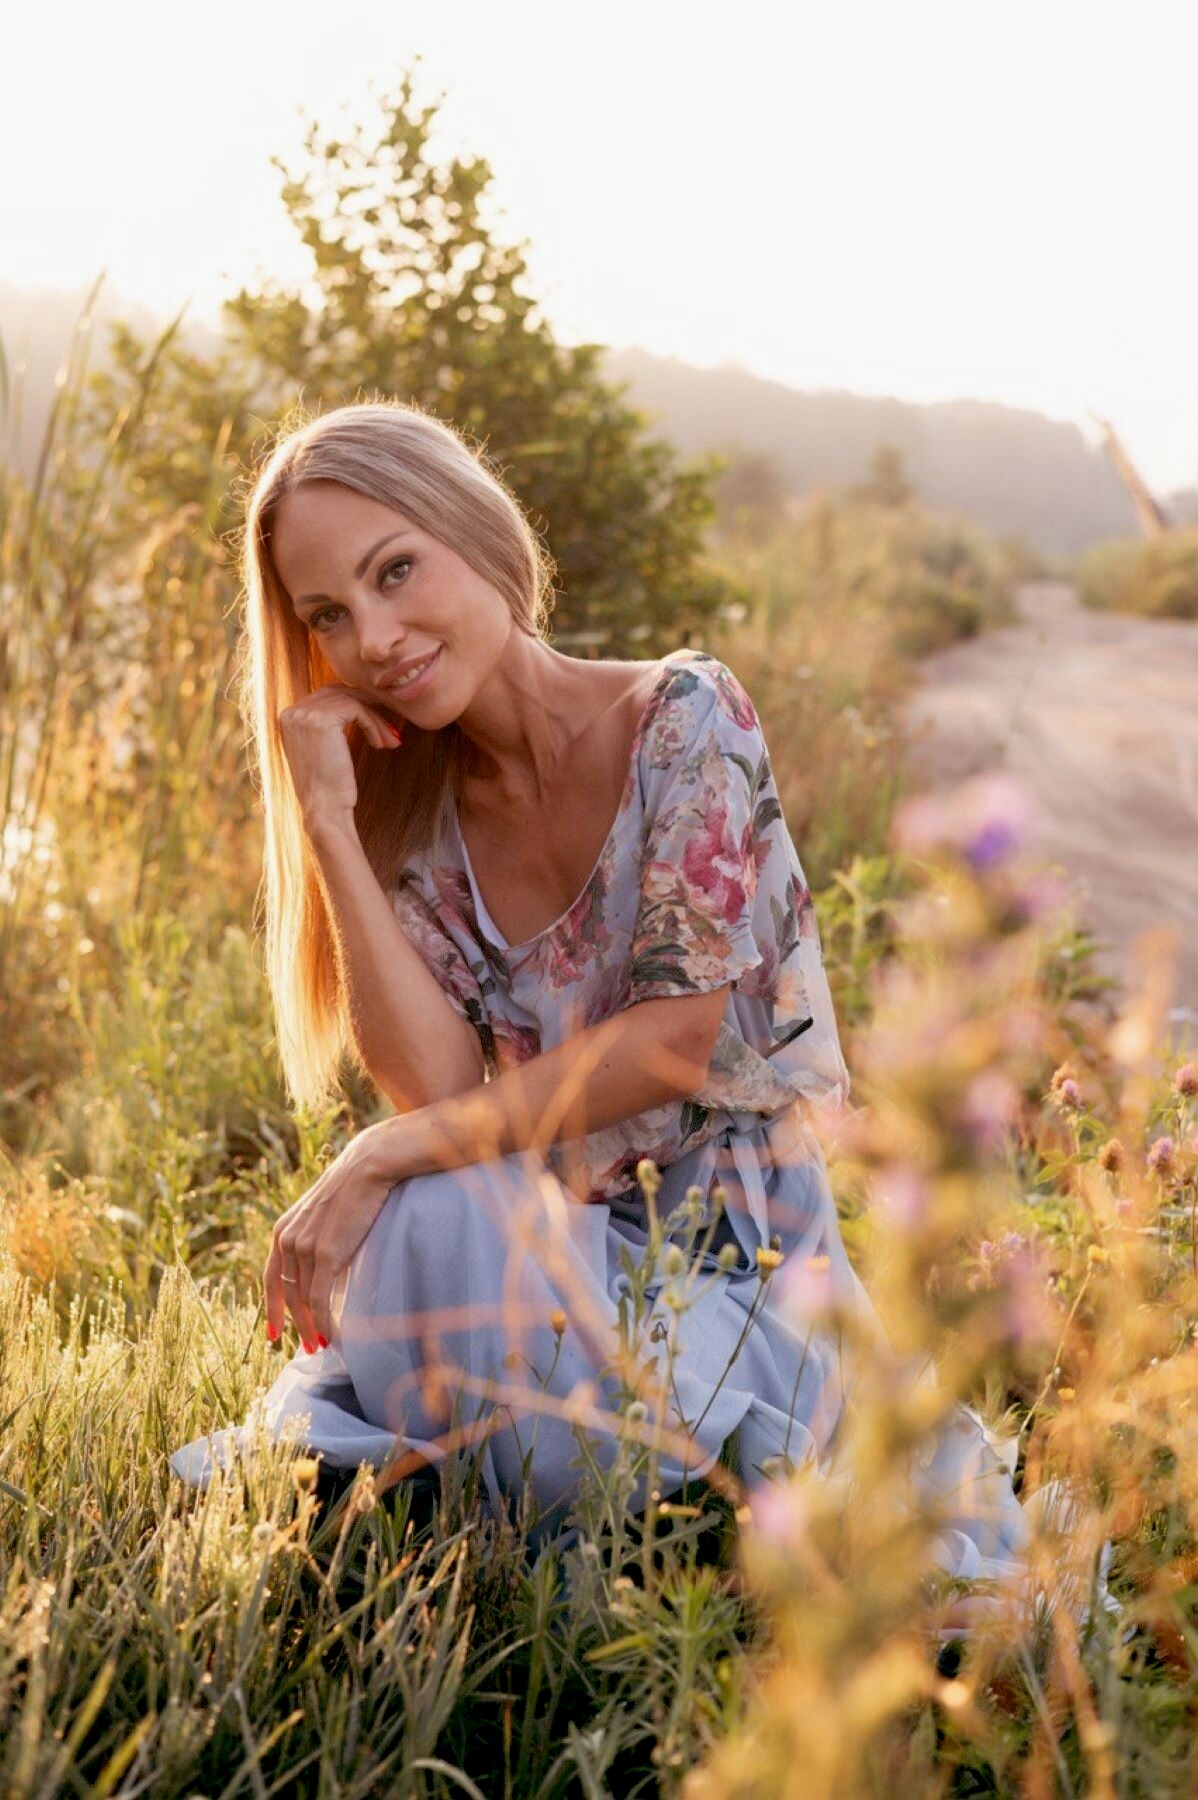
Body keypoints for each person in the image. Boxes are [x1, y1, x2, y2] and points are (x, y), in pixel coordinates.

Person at [168, 398, 1042, 1634]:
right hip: (557, 1255)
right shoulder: (420, 819)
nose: (372, 638)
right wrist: (328, 826)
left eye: (394, 571)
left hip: (731, 1270)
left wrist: (376, 1155)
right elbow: (438, 1094)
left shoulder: (683, 716)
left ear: (478, 531)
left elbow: (670, 1045)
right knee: (429, 1206)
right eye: (328, 616)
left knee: (410, 1186)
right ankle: (597, 1512)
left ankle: (619, 1509)